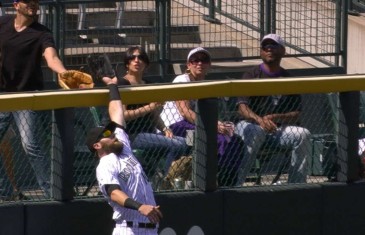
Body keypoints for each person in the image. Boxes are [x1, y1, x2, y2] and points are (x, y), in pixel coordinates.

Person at [0, 0, 67, 199]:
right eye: (29, 2)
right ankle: (3, 192)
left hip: (27, 97)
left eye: (36, 2)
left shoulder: (42, 33)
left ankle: (51, 192)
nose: (33, 5)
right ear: (16, 5)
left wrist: (64, 73)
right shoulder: (2, 23)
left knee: (31, 145)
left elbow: (52, 58)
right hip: (3, 95)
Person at [86, 75, 163, 235]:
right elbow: (114, 193)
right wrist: (139, 206)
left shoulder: (123, 147)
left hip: (149, 229)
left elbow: (116, 113)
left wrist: (112, 86)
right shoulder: (106, 164)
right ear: (97, 145)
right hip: (129, 229)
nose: (113, 135)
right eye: (107, 135)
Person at [234, 34, 311, 185]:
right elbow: (242, 107)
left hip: (276, 130)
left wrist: (274, 118)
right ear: (261, 52)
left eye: (273, 46)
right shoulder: (252, 75)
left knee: (304, 134)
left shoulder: (288, 77)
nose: (269, 49)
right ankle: (236, 185)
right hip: (249, 126)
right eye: (265, 47)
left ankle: (297, 186)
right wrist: (259, 120)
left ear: (283, 51)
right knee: (256, 131)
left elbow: (296, 114)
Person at [160, 47, 244, 186]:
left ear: (209, 65)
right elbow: (184, 112)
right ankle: (211, 180)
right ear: (188, 65)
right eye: (195, 60)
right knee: (217, 139)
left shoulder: (204, 83)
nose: (200, 63)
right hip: (175, 124)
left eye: (204, 60)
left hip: (196, 123)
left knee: (234, 140)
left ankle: (228, 183)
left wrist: (218, 123)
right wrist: (213, 125)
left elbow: (206, 113)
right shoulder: (182, 79)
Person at [118, 46, 189, 179]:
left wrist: (164, 128)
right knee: (177, 144)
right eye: (132, 58)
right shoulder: (123, 83)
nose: (137, 60)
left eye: (141, 58)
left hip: (149, 132)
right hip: (131, 135)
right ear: (127, 63)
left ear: (146, 63)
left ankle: (168, 176)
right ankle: (167, 180)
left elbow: (154, 115)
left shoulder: (147, 83)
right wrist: (149, 107)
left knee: (185, 143)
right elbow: (123, 116)